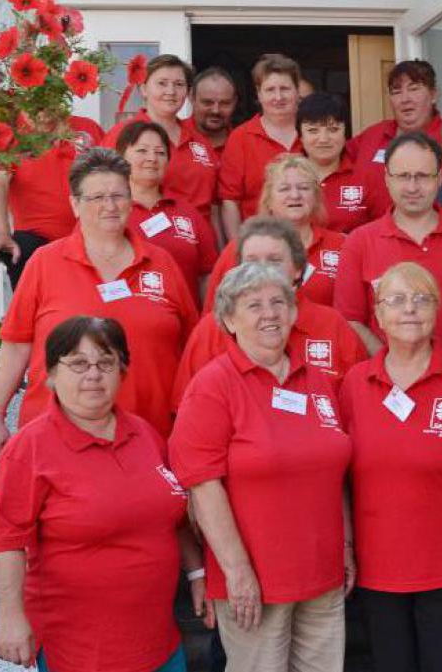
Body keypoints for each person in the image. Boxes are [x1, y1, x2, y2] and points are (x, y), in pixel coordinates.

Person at [0, 316, 204, 672]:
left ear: (122, 372)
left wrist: (196, 572)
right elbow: (7, 540)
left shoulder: (145, 435)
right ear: (51, 374)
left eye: (106, 362)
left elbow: (172, 518)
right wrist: (10, 617)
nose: (93, 374)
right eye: (78, 363)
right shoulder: (29, 449)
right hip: (81, 648)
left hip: (158, 640)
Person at [169, 262, 354, 672]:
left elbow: (333, 472)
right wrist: (236, 571)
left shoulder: (317, 381)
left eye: (278, 303)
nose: (269, 313)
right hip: (254, 581)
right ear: (229, 321)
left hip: (321, 576)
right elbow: (203, 487)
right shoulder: (213, 386)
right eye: (253, 305)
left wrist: (345, 547)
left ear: (293, 312)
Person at [340, 261, 442, 672]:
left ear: (437, 310)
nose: (409, 309)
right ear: (378, 316)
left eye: (421, 299)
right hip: (379, 571)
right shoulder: (354, 385)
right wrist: (345, 547)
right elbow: (339, 478)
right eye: (396, 300)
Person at [0, 148, 198, 451]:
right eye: (97, 197)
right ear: (75, 204)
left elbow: (191, 349)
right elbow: (16, 346)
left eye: (118, 196)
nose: (109, 206)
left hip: (149, 440)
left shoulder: (162, 263)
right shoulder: (45, 263)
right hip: (56, 442)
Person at [334, 132, 442, 357]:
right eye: (403, 176)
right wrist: (394, 369)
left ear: (439, 178)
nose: (412, 187)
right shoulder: (359, 241)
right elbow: (350, 320)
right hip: (384, 377)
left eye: (423, 176)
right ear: (387, 178)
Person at [172, 216, 366, 405]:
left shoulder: (332, 325)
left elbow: (358, 405)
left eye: (274, 260)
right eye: (252, 261)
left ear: (298, 269)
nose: (263, 270)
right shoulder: (213, 328)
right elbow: (186, 408)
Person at [204, 154, 345, 310]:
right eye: (284, 189)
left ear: (316, 197)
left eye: (304, 188)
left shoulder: (341, 246)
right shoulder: (242, 248)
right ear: (268, 200)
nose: (295, 195)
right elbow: (213, 314)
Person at [0, 114, 103, 288]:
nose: (43, 113)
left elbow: (115, 174)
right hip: (38, 242)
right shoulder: (9, 132)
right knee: (24, 248)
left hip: (91, 238)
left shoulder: (87, 127)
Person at [103, 54, 218, 225]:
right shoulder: (122, 134)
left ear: (187, 92)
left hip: (200, 234)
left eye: (179, 84)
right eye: (162, 83)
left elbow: (214, 206)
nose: (171, 91)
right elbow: (100, 189)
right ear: (144, 89)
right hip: (145, 232)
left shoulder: (200, 142)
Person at [116, 120, 218, 308]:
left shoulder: (188, 212)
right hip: (124, 320)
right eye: (142, 150)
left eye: (160, 152)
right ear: (121, 158)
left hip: (184, 319)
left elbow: (207, 275)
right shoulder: (108, 209)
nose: (152, 158)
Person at [218, 53, 303, 239]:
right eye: (270, 89)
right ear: (259, 94)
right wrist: (239, 248)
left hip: (310, 242)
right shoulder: (241, 138)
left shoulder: (312, 133)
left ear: (297, 91)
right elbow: (230, 201)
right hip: (259, 242)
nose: (278, 97)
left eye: (285, 89)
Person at [347, 59, 442, 211]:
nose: (405, 99)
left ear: (433, 94)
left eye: (414, 89)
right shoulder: (374, 134)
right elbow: (332, 163)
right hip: (368, 225)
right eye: (397, 92)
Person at [297, 92, 385, 233]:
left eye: (333, 129)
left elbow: (383, 231)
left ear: (345, 134)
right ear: (300, 136)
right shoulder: (286, 176)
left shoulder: (366, 177)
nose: (323, 139)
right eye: (313, 130)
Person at [189, 66, 238, 157]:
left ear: (234, 102)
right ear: (192, 98)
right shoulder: (173, 138)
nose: (216, 111)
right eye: (208, 102)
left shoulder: (244, 143)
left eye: (224, 103)